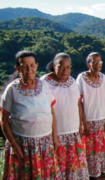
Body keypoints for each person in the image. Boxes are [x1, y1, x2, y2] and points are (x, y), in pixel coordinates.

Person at [0, 50, 61, 179]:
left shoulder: (44, 85)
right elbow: (4, 120)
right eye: (24, 66)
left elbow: (52, 113)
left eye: (32, 65)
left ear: (37, 65)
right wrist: (14, 145)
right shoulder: (12, 90)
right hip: (23, 145)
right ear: (17, 68)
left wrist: (54, 137)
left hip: (45, 143)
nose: (29, 69)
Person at [41, 53, 89, 179]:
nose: (65, 70)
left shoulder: (72, 81)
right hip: (56, 134)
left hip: (73, 132)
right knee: (57, 167)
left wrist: (80, 125)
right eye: (61, 67)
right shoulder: (44, 83)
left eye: (68, 67)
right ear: (54, 66)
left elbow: (78, 103)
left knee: (74, 167)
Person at [76, 52, 105, 178]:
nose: (97, 64)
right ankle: (91, 173)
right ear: (88, 64)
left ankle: (101, 169)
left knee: (102, 147)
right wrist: (83, 122)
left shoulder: (103, 77)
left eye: (100, 62)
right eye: (94, 62)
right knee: (90, 149)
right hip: (89, 119)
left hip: (102, 117)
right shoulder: (81, 78)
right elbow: (78, 102)